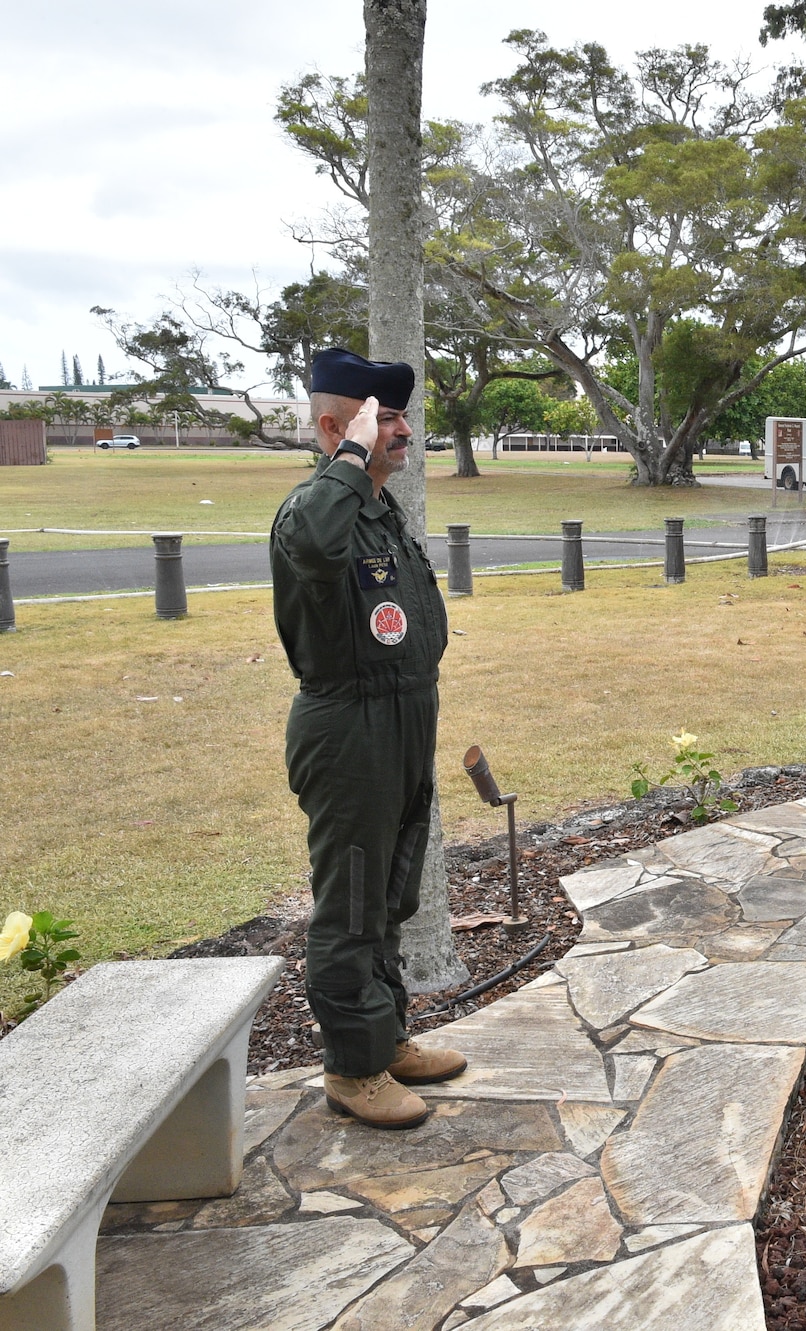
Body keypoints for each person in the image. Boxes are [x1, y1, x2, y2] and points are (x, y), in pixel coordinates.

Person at [271, 348, 466, 1127]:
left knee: (390, 888)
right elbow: (317, 548)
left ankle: (382, 1039)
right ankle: (352, 1069)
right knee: (352, 897)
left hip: (402, 719)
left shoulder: (377, 510)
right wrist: (350, 455)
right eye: (381, 417)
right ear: (334, 426)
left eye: (397, 416)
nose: (402, 430)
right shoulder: (313, 509)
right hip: (350, 727)